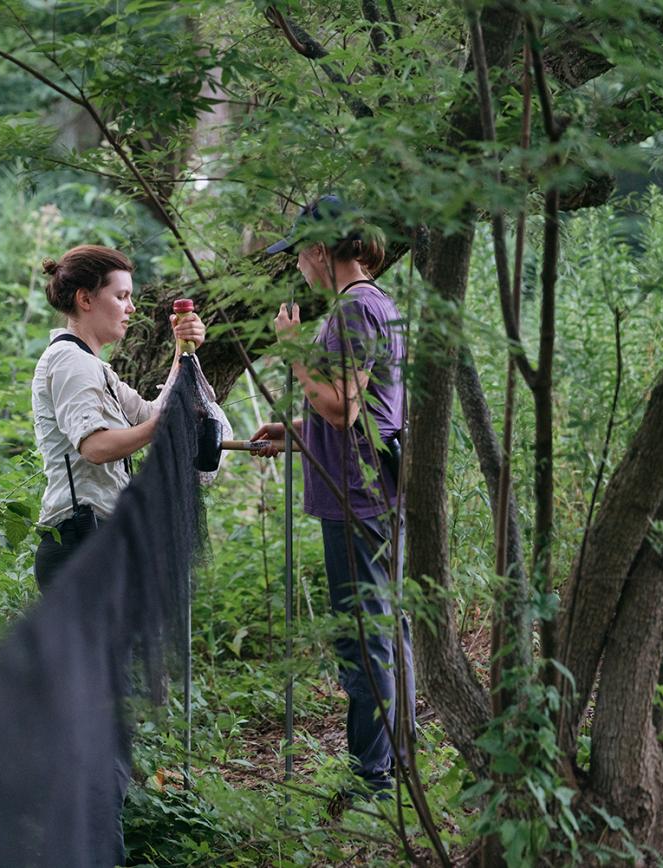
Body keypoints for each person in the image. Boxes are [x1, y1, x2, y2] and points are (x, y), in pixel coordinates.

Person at [251, 195, 415, 801]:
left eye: (299, 254)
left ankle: (373, 783)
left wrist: (293, 351)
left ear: (320, 250)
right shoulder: (375, 304)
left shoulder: (351, 312)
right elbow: (364, 410)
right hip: (371, 489)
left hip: (357, 498)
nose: (298, 266)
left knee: (364, 636)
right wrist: (294, 435)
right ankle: (400, 762)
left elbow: (343, 408)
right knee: (384, 629)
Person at [31, 244, 206, 592]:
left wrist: (181, 351)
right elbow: (95, 446)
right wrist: (164, 424)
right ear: (86, 299)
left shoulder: (94, 367)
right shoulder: (70, 361)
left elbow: (151, 414)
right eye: (122, 296)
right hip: (79, 545)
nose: (131, 307)